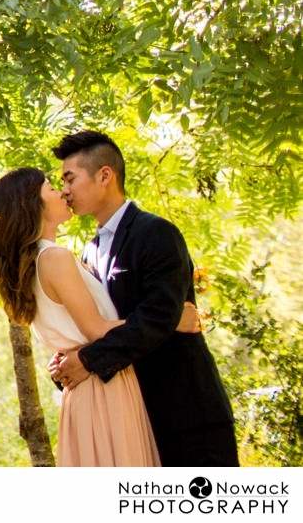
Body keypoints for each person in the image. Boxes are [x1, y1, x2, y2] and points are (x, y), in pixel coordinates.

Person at [48, 130, 239, 467]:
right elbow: (98, 324)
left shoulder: (156, 233)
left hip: (187, 415)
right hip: (133, 418)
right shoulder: (89, 252)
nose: (64, 190)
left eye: (70, 179)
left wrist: (89, 359)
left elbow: (155, 320)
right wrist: (68, 359)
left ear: (104, 175)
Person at [0, 165, 176, 465]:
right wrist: (173, 322)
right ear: (32, 204)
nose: (62, 191)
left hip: (89, 389)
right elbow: (97, 331)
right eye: (51, 188)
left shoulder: (39, 262)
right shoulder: (54, 258)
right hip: (103, 387)